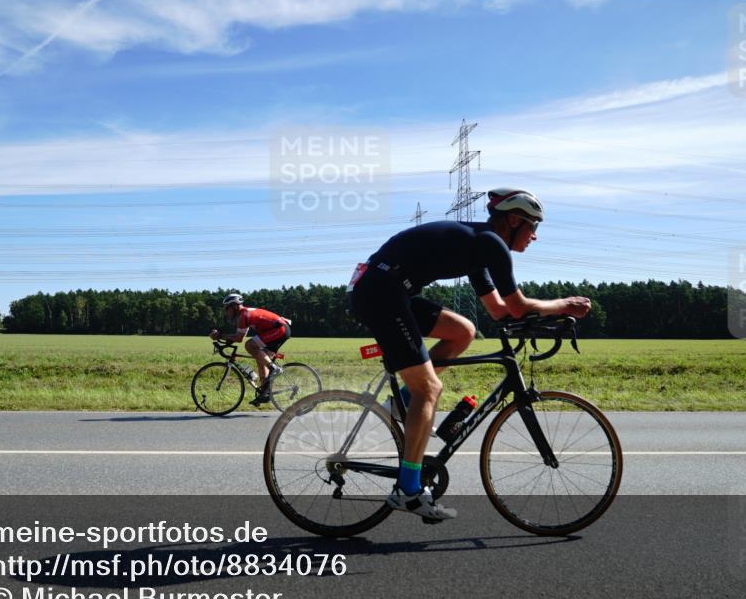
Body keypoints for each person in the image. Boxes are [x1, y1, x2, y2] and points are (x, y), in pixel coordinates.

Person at [347, 187, 592, 521]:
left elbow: (499, 312)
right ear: (514, 220)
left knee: (463, 331)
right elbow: (518, 306)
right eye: (534, 226)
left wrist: (546, 319)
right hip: (382, 293)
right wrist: (564, 305)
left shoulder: (481, 247)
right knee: (429, 389)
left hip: (387, 290)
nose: (535, 236)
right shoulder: (491, 244)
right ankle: (408, 489)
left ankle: (401, 404)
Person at [210, 294, 293, 405]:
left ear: (234, 306)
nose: (226, 312)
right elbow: (238, 336)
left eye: (226, 308)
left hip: (279, 329)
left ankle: (274, 368)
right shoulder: (244, 314)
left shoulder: (243, 315)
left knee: (249, 345)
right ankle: (264, 394)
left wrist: (219, 336)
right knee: (261, 360)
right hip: (280, 329)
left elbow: (239, 339)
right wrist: (226, 338)